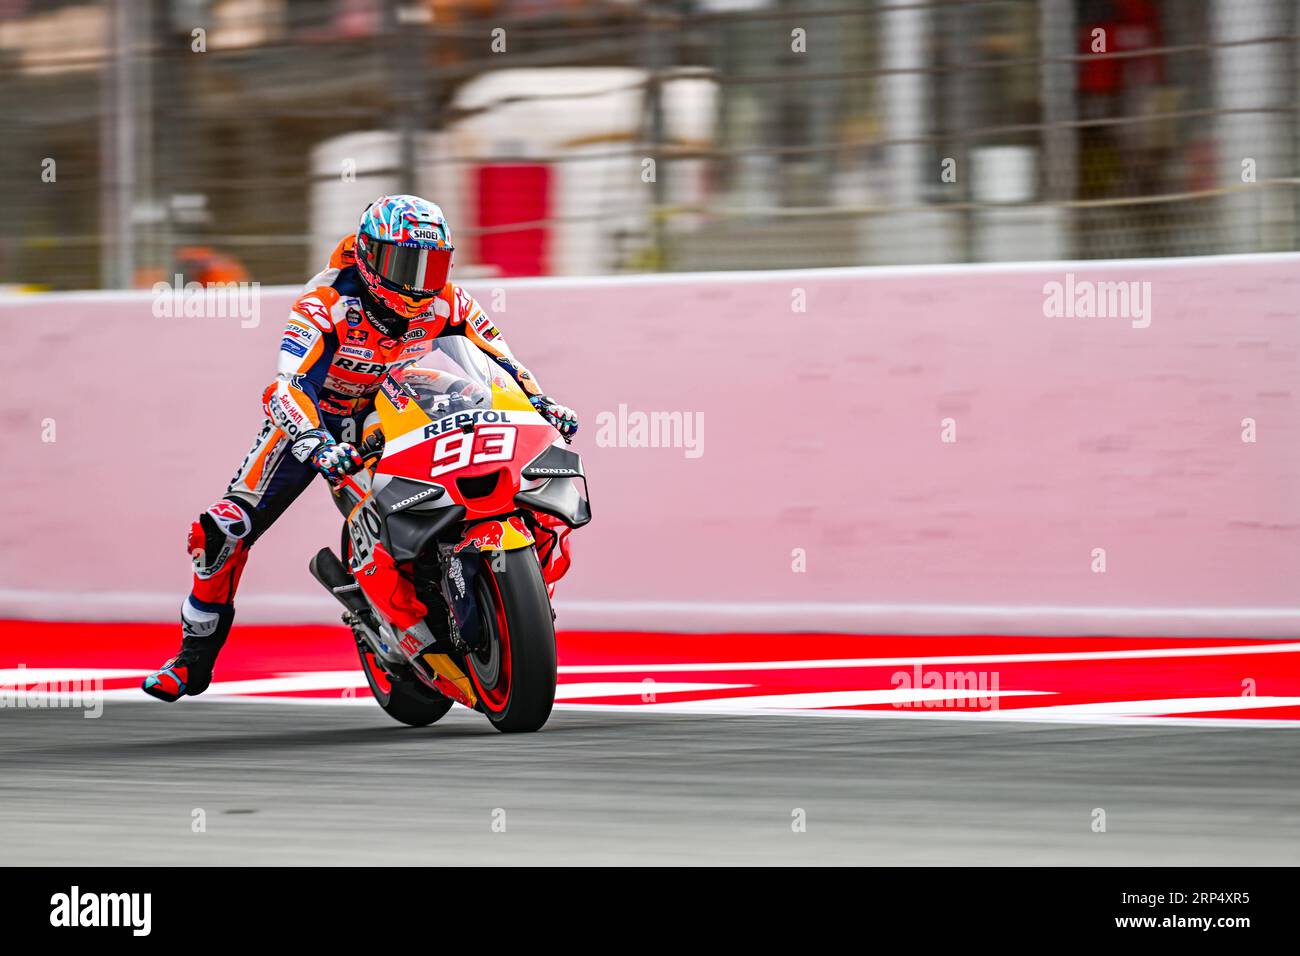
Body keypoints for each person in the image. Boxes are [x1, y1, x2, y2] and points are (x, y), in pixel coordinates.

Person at [141, 194, 578, 702]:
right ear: (369, 256)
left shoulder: (450, 301)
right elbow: (286, 387)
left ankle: (498, 576)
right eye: (403, 263)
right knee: (221, 530)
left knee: (509, 466)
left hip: (398, 400)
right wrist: (314, 442)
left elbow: (501, 361)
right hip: (319, 417)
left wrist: (541, 403)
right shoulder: (324, 303)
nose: (417, 280)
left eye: (431, 264)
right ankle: (192, 660)